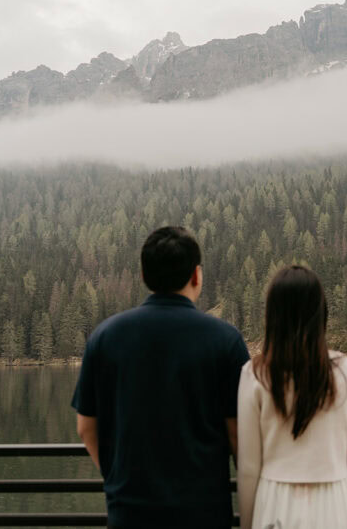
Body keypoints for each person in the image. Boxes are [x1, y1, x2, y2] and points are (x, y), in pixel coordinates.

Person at [72, 226, 250, 528]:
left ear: (143, 275)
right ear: (196, 276)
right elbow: (238, 436)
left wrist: (117, 477)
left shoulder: (105, 337)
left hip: (129, 513)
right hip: (203, 513)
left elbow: (86, 428)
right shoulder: (226, 340)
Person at [236, 265, 347, 529]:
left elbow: (249, 468)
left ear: (272, 315)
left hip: (275, 502)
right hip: (337, 503)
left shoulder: (254, 374)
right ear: (321, 313)